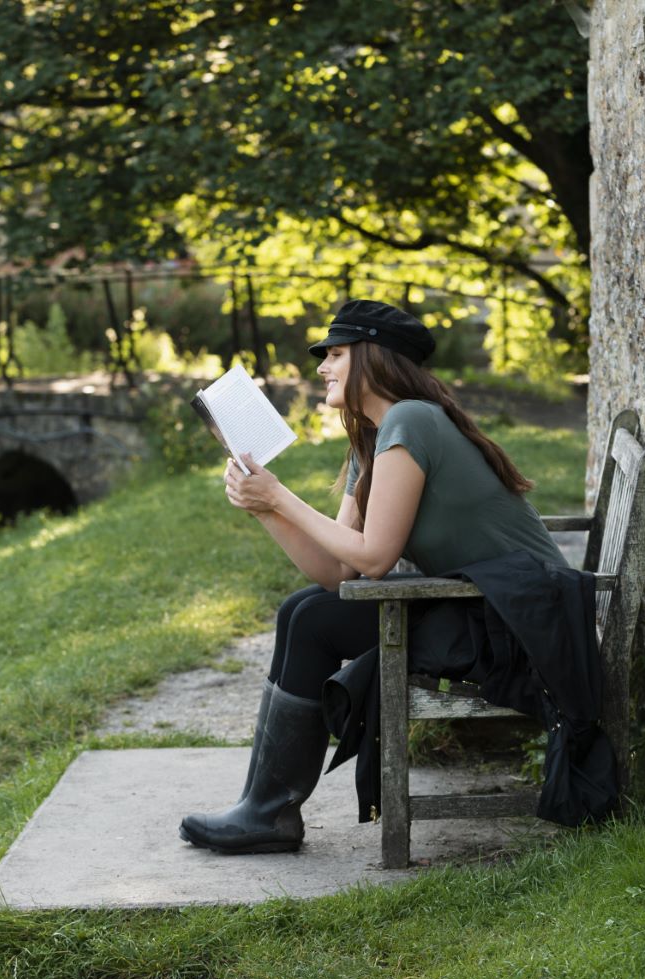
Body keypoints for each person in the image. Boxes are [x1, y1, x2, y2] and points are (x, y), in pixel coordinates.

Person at [178, 298, 570, 854]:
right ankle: (264, 809)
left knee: (312, 619)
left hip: (522, 620)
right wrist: (266, 508)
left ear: (373, 359)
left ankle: (268, 814)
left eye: (334, 354)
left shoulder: (413, 420)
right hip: (478, 603)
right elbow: (340, 572)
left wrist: (280, 496)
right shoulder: (376, 436)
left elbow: (375, 557)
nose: (321, 368)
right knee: (302, 610)